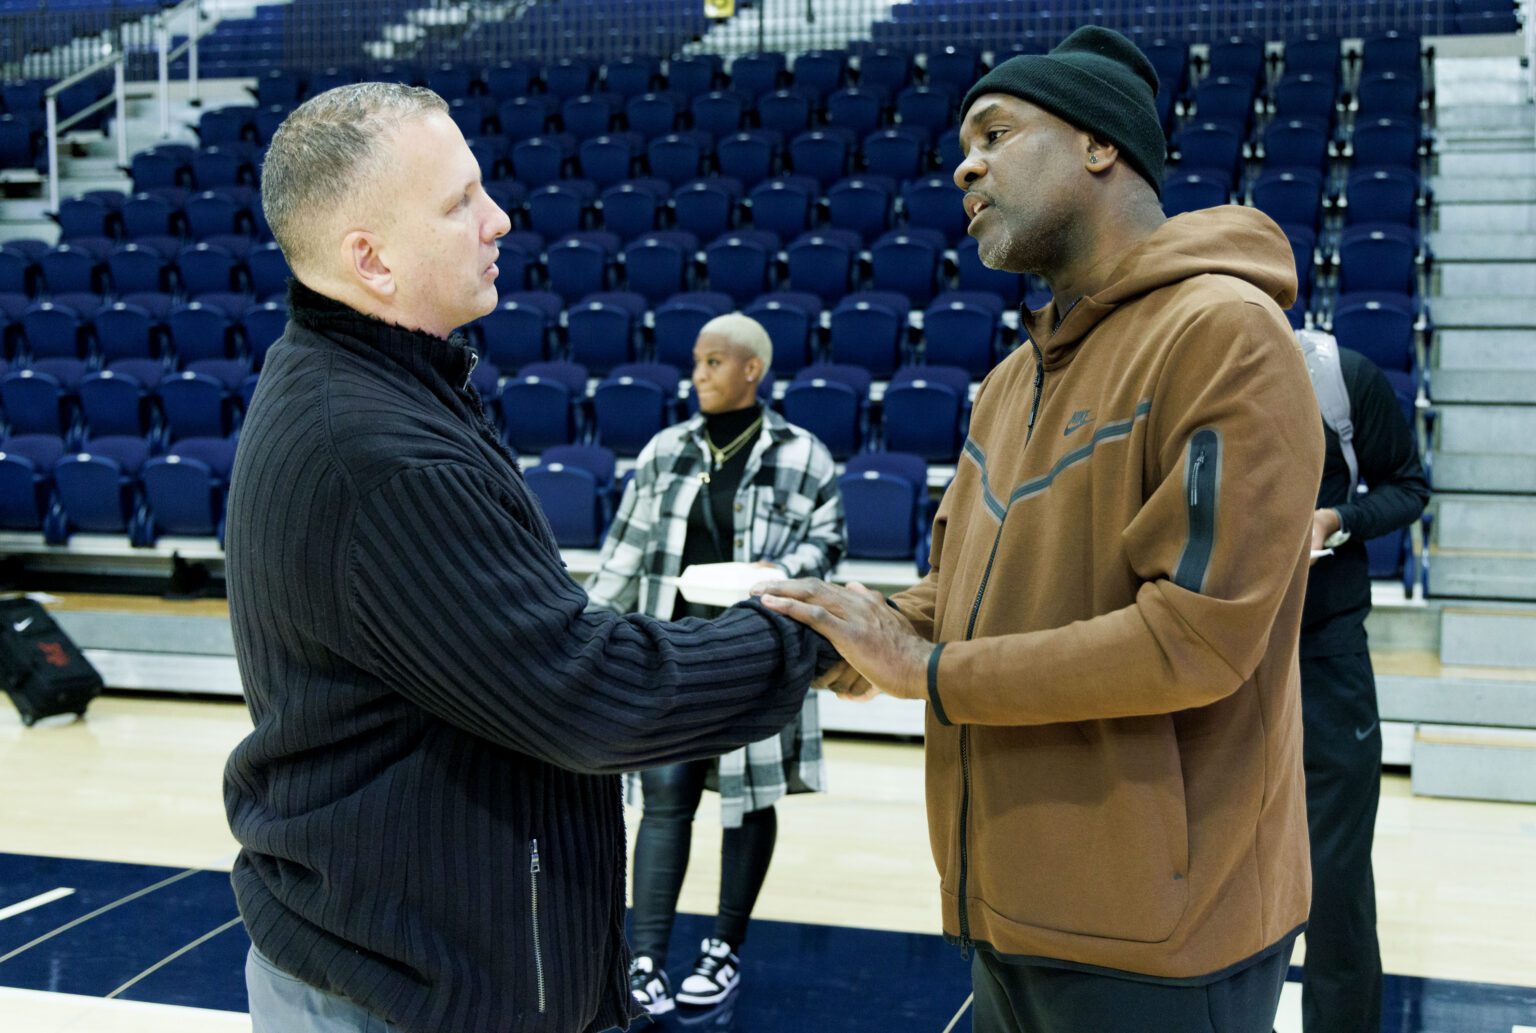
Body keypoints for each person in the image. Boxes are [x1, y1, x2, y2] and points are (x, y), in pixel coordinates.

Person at [222, 83, 833, 1033]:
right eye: (461, 200)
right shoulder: (379, 455)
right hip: (407, 996)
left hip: (400, 962)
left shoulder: (372, 385)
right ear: (371, 258)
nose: (498, 218)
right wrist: (813, 635)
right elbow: (591, 696)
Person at [756, 26, 1326, 1033]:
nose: (964, 165)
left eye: (994, 133)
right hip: (1007, 906)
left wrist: (922, 670)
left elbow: (1193, 640)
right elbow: (970, 600)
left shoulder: (1225, 334)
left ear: (1100, 144)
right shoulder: (1011, 379)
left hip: (1162, 940)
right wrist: (851, 631)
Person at [584, 314, 845, 1016]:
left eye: (713, 362)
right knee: (666, 799)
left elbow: (827, 547)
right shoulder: (666, 450)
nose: (697, 373)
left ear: (752, 369)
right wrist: (581, 632)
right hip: (668, 657)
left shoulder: (805, 455)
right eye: (697, 361)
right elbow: (623, 554)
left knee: (747, 800)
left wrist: (779, 570)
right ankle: (644, 958)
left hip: (754, 656)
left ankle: (724, 947)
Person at [1298, 340, 1429, 1033]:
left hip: (1326, 655)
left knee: (1337, 881)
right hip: (1221, 656)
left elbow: (1409, 485)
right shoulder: (1187, 377)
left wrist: (1341, 521)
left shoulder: (1341, 379)